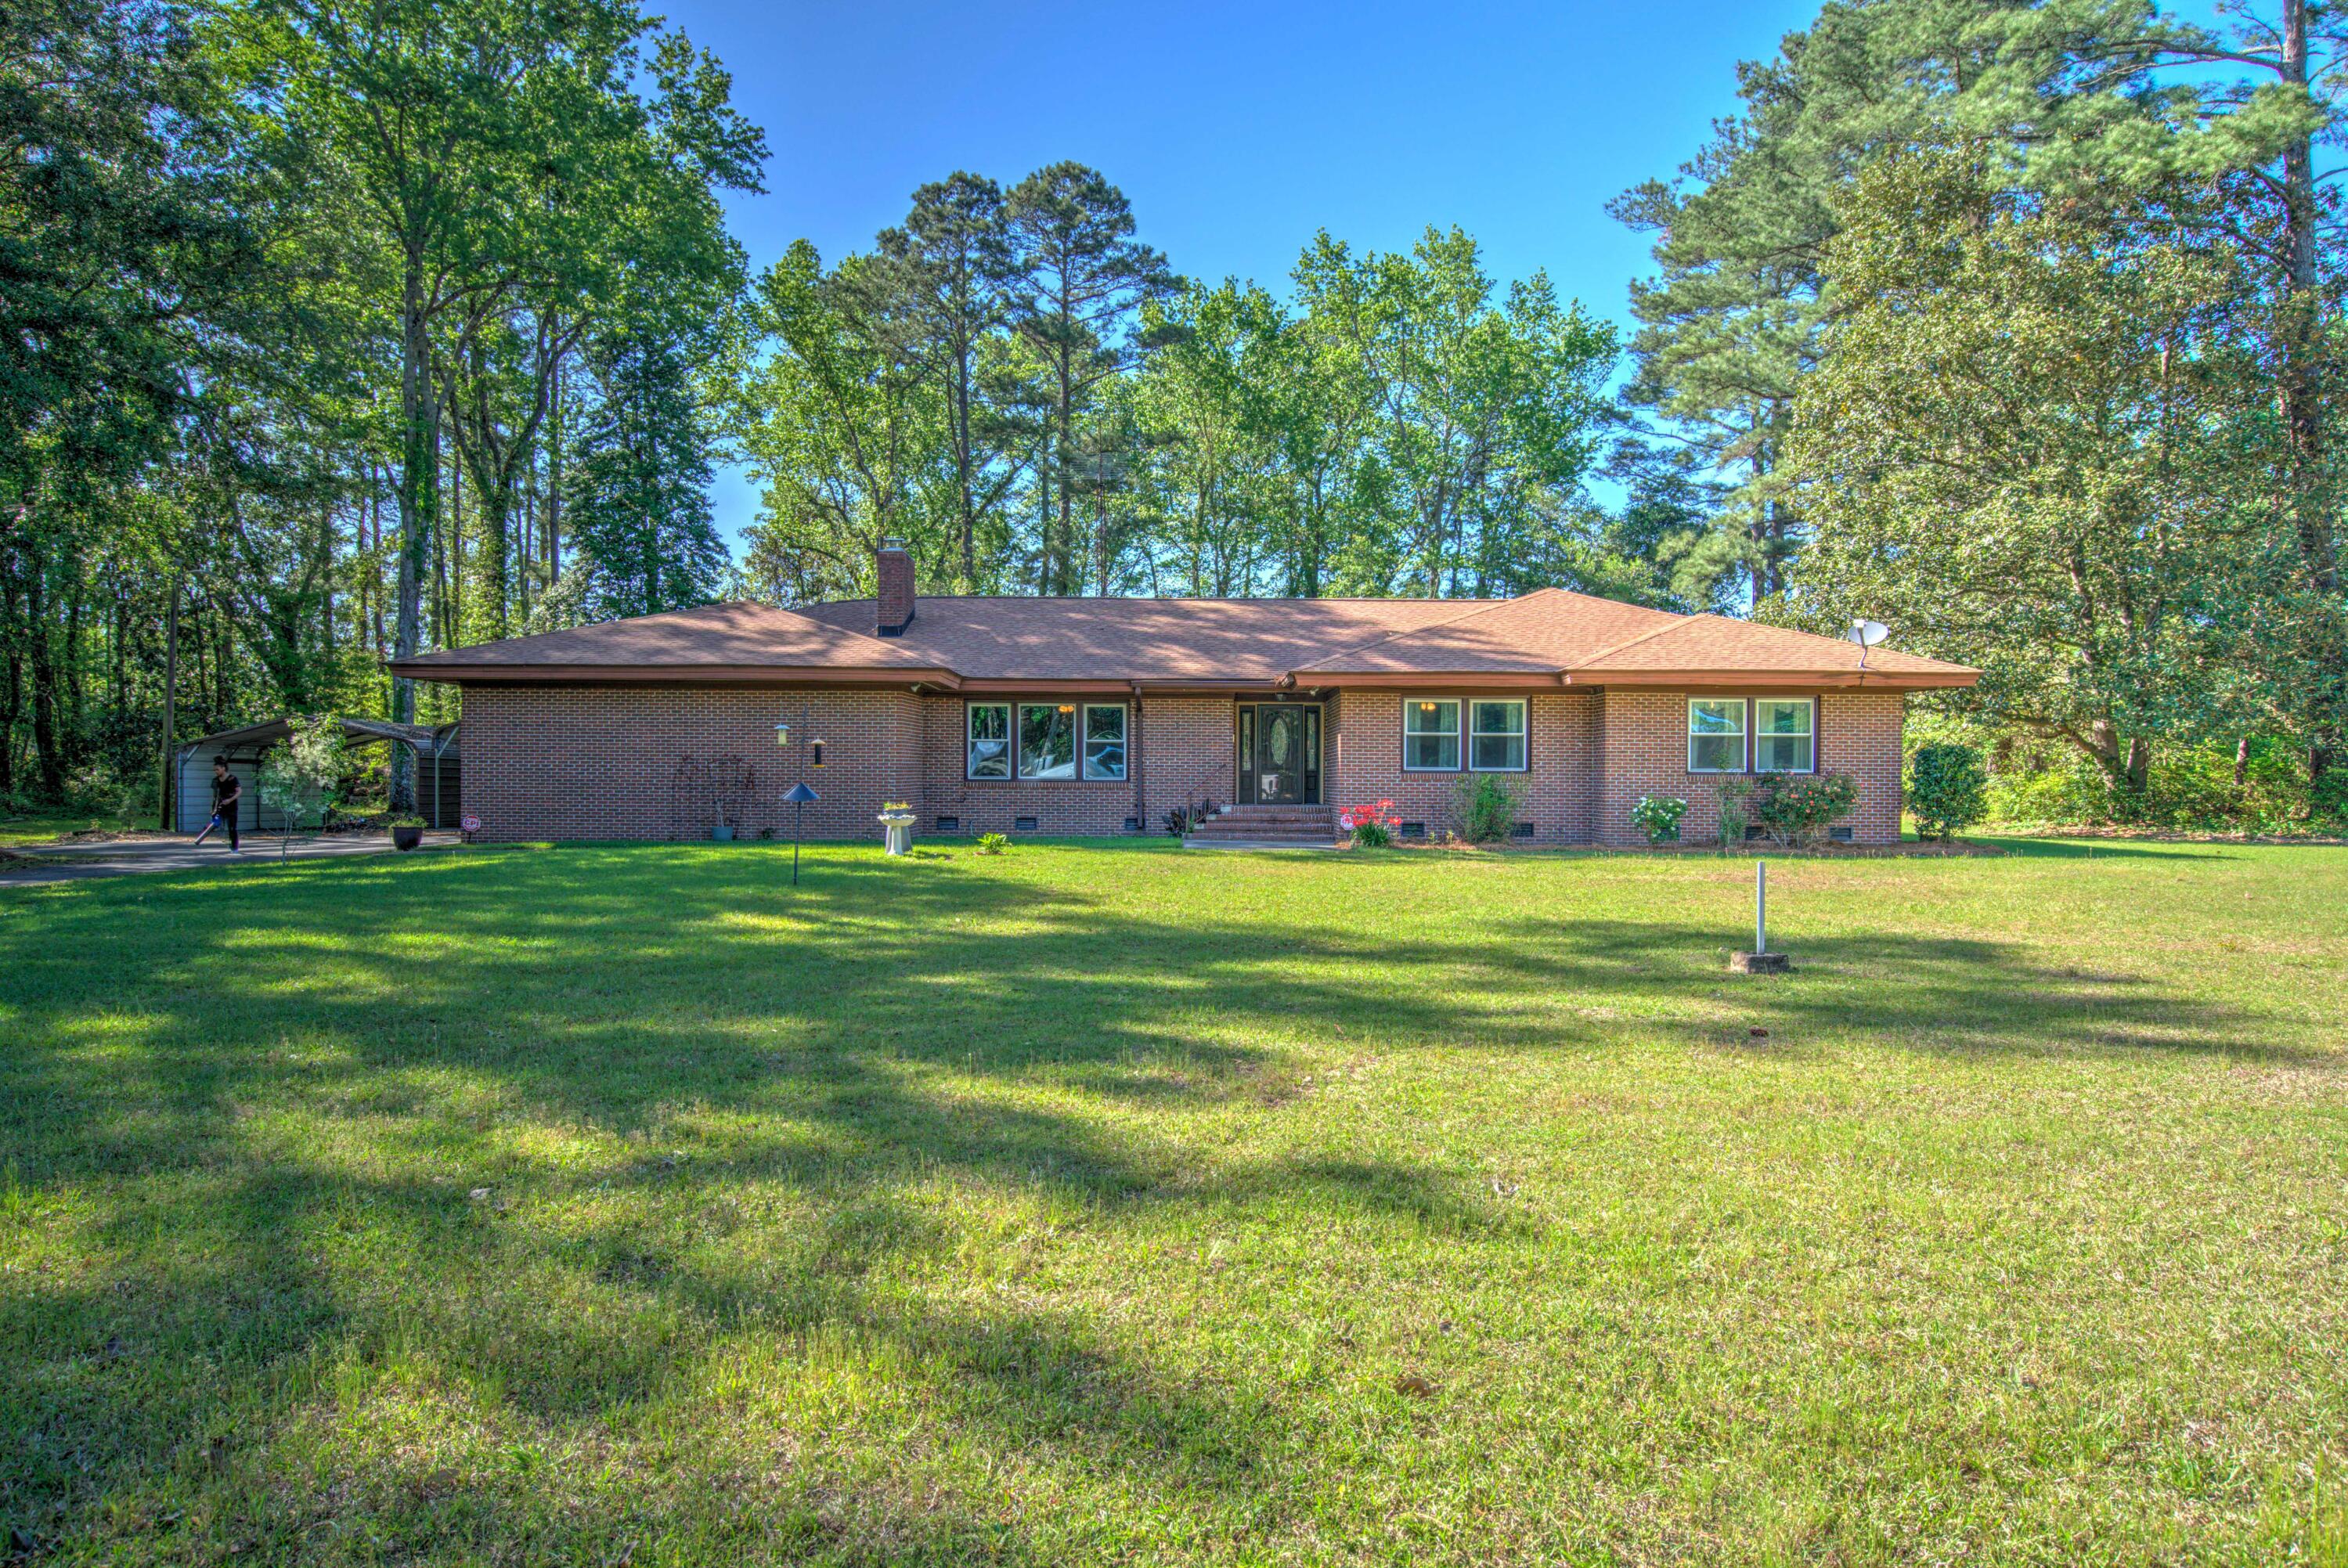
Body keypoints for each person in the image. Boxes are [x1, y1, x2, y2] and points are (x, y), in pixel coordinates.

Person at [192, 757, 241, 851]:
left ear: (223, 768)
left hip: (232, 807)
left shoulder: (232, 779)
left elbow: (239, 791)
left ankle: (234, 848)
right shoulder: (216, 780)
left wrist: (230, 800)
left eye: (217, 770)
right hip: (220, 806)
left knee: (232, 828)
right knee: (215, 823)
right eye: (214, 770)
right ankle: (200, 838)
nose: (216, 772)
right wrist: (213, 808)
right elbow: (215, 796)